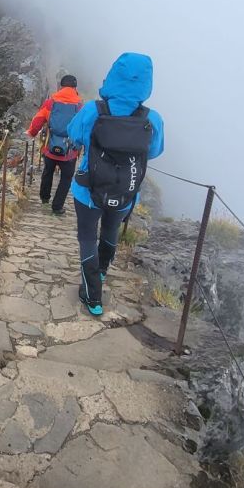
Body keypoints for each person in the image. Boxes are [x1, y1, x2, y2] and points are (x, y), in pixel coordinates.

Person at [66, 53, 164, 316]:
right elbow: (153, 151)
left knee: (87, 236)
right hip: (125, 191)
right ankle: (102, 273)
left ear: (113, 76)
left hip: (88, 190)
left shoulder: (92, 110)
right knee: (110, 232)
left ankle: (92, 294)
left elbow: (74, 135)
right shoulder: (151, 119)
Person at [26, 74, 83, 215]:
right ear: (75, 87)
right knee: (66, 178)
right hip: (70, 151)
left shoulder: (51, 102)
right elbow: (84, 127)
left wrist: (32, 133)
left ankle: (44, 198)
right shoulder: (80, 106)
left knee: (48, 171)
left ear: (61, 86)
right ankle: (57, 207)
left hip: (50, 146)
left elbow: (38, 120)